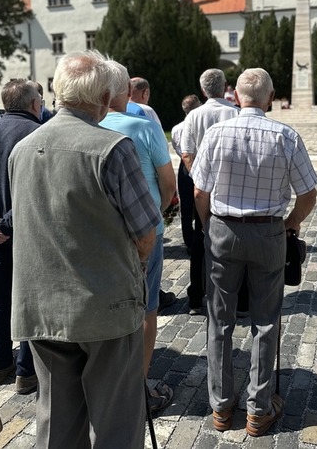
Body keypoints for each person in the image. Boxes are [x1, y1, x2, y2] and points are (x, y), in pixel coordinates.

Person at [9, 50, 161, 449]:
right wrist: (132, 269)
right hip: (105, 307)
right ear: (104, 97)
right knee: (115, 427)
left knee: (56, 423)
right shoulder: (113, 147)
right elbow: (147, 233)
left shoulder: (22, 149)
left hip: (41, 306)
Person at [191, 68, 317, 437]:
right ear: (270, 97)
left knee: (220, 320)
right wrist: (290, 225)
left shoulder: (216, 133)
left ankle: (220, 407)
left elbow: (199, 192)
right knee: (266, 321)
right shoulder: (285, 136)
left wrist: (206, 224)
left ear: (236, 96)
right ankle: (258, 410)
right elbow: (308, 193)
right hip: (267, 232)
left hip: (223, 229)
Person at [100, 60, 177, 413]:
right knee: (146, 309)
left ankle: (107, 381)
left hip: (103, 233)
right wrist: (156, 216)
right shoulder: (143, 126)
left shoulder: (91, 124)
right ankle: (139, 385)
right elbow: (168, 182)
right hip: (145, 230)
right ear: (128, 92)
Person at [0, 79, 43, 395]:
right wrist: (4, 226)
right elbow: (36, 193)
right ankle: (26, 372)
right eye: (40, 97)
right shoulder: (37, 134)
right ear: (34, 103)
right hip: (27, 233)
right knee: (30, 301)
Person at [179, 68, 249, 316]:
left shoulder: (194, 116)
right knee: (238, 243)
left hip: (203, 190)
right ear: (225, 86)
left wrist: (200, 179)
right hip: (231, 188)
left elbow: (186, 153)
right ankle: (240, 301)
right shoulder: (236, 112)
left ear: (202, 90)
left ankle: (197, 297)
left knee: (200, 241)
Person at [126, 75, 175, 308]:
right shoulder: (146, 113)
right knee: (149, 281)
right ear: (144, 93)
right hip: (146, 205)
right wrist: (162, 206)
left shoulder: (99, 116)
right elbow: (162, 163)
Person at [170, 94, 205, 313]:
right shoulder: (198, 123)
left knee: (186, 208)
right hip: (198, 164)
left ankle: (189, 241)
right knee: (198, 205)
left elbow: (178, 149)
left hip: (185, 167)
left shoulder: (176, 128)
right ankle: (199, 237)